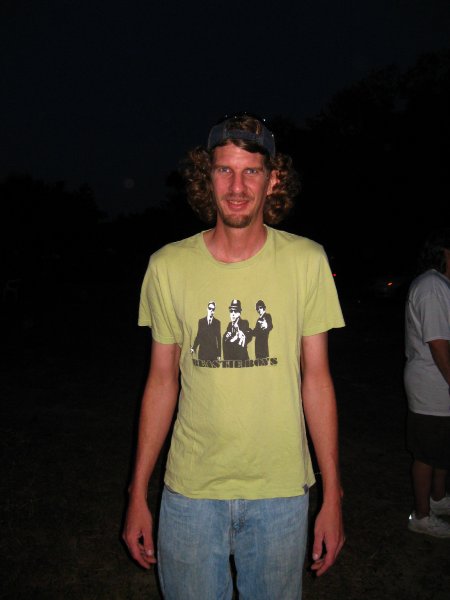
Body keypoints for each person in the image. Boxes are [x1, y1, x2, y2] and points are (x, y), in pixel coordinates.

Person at [122, 113, 345, 599]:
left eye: (251, 172)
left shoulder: (307, 261)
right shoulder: (167, 266)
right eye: (224, 170)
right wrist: (137, 491)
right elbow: (161, 381)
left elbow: (317, 381)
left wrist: (332, 494)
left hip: (281, 493)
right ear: (206, 177)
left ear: (273, 180)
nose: (238, 187)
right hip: (191, 493)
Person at [404, 228, 450, 538]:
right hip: (431, 385)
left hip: (439, 385)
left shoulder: (440, 284)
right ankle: (421, 516)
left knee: (441, 450)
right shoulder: (432, 286)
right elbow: (437, 343)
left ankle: (438, 498)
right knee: (426, 453)